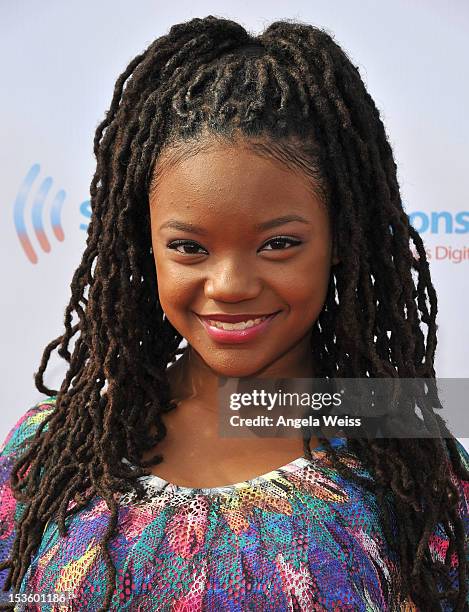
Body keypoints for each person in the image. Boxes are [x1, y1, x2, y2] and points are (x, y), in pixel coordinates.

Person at [0, 14, 468, 612]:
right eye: (189, 248)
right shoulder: (49, 457)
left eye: (278, 244)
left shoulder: (415, 467)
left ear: (342, 243)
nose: (229, 286)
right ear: (144, 248)